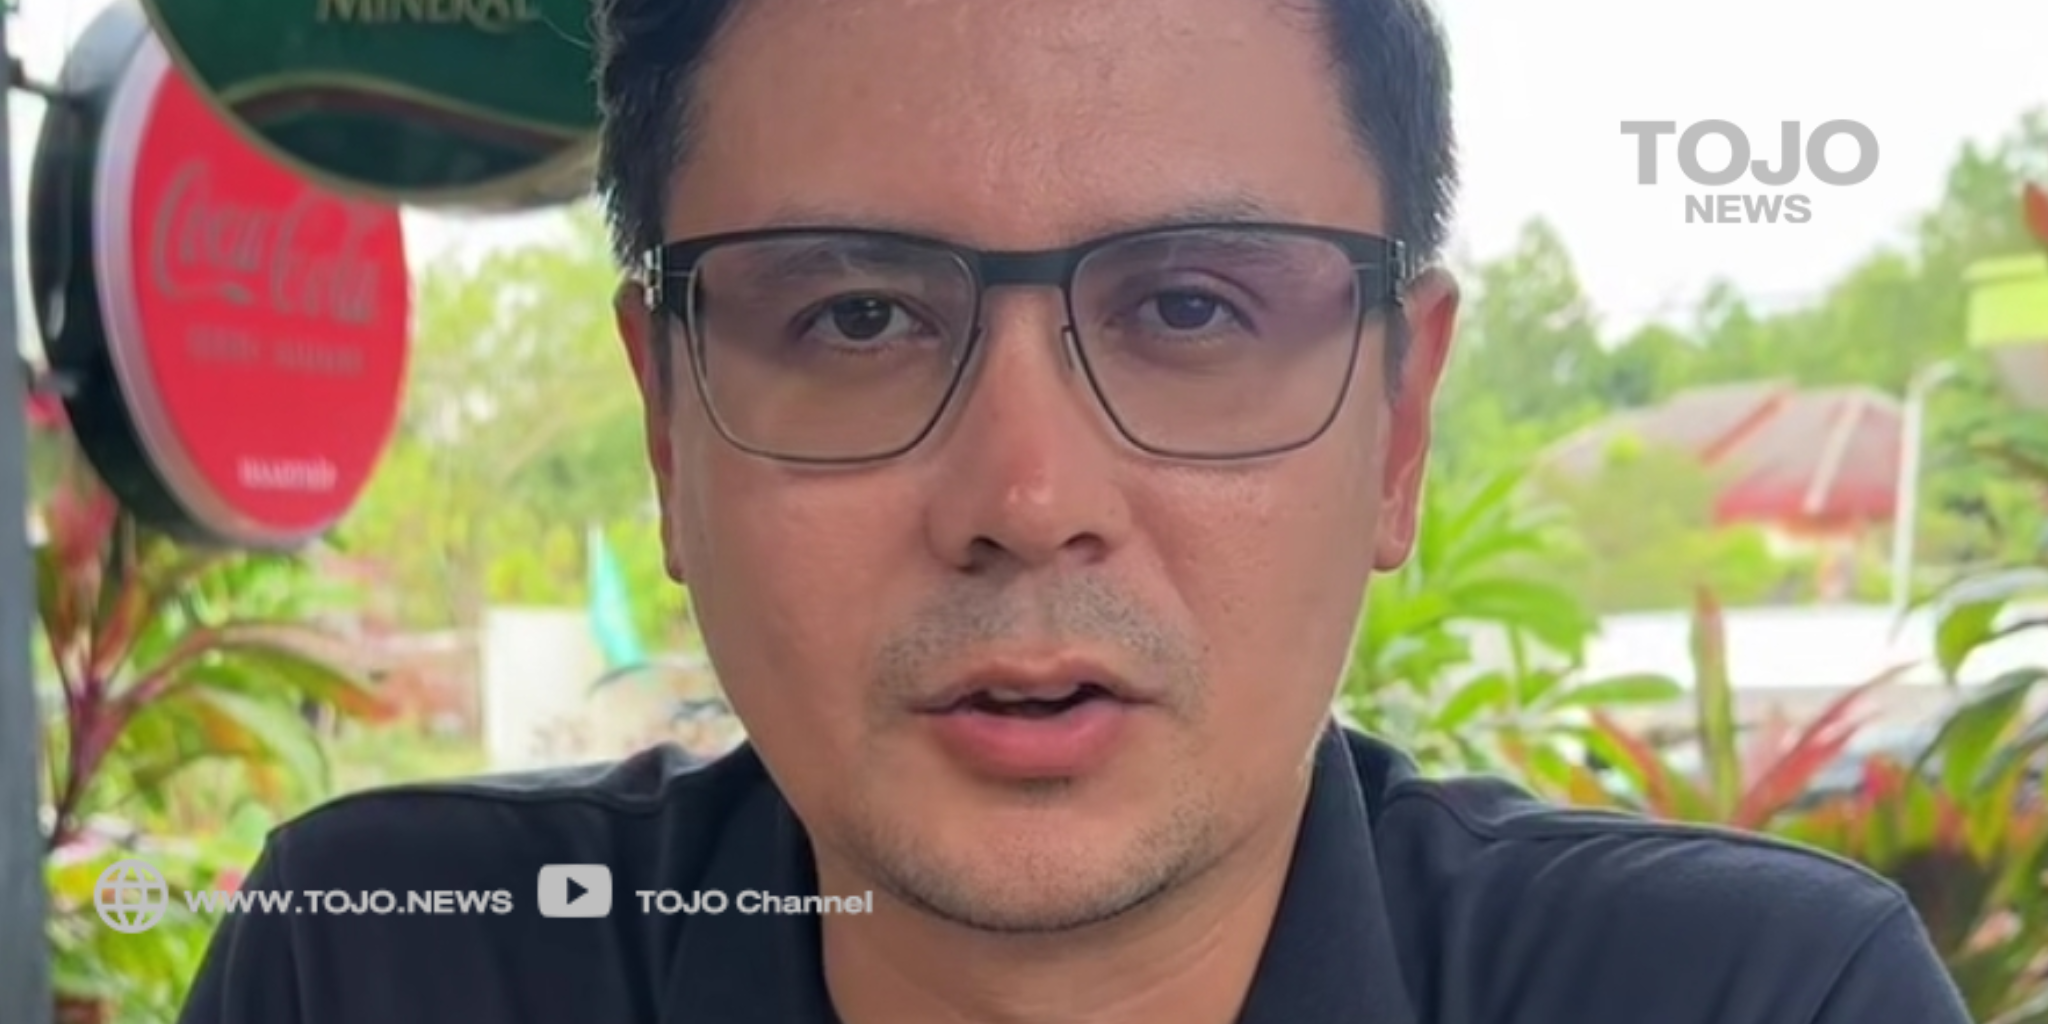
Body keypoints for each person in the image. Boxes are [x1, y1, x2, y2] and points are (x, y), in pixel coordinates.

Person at [177, 0, 1972, 1021]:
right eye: (856, 317)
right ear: (667, 427)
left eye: (1192, 307)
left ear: (1400, 428)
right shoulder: (394, 966)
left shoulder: (1744, 1001)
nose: (1027, 500)